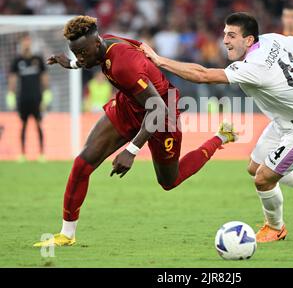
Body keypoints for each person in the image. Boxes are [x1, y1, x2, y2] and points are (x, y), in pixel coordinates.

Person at [141, 8, 293, 242]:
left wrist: (159, 60)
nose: (225, 41)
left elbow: (202, 74)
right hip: (286, 118)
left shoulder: (252, 67)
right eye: (225, 34)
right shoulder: (270, 40)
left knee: (263, 178)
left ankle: (275, 227)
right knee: (255, 167)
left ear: (249, 39)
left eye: (231, 35)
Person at [33, 16, 237, 247]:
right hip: (130, 105)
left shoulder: (123, 65)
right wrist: (70, 64)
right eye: (75, 53)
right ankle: (67, 234)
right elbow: (128, 49)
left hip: (162, 112)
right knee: (82, 163)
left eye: (82, 53)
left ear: (96, 44)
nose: (79, 58)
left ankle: (221, 137)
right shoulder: (103, 44)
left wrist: (131, 150)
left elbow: (157, 108)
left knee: (169, 181)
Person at [7, 35, 50, 162]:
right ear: (21, 44)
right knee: (23, 125)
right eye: (24, 42)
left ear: (30, 43)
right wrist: (10, 94)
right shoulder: (17, 60)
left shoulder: (37, 59)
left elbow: (44, 77)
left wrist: (47, 93)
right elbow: (13, 79)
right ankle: (22, 153)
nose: (26, 44)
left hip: (37, 98)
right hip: (23, 98)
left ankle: (42, 153)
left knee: (38, 124)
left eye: (28, 42)